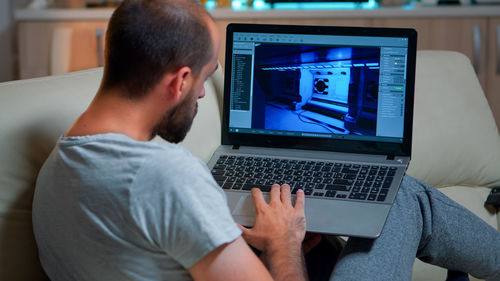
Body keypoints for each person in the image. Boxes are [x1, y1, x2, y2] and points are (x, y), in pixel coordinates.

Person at [32, 0, 500, 280]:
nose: (199, 98)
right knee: (401, 199)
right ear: (178, 82)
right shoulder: (166, 177)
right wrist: (283, 245)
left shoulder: (59, 165)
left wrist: (265, 241)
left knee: (389, 202)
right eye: (205, 81)